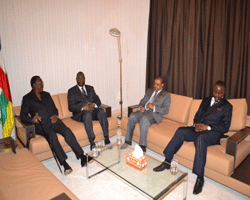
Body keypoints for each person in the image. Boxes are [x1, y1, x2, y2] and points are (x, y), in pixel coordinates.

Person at [153, 80, 232, 195]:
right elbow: (197, 115)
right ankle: (167, 162)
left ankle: (200, 177)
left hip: (212, 133)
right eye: (215, 92)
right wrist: (197, 125)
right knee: (181, 131)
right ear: (213, 90)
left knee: (201, 139)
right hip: (199, 129)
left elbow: (225, 127)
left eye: (220, 93)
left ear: (224, 92)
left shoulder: (227, 106)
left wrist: (208, 127)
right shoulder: (205, 100)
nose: (217, 95)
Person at [20, 76, 91, 176]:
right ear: (33, 85)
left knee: (67, 131)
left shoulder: (47, 95)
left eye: (42, 82)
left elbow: (55, 109)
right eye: (39, 83)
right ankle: (64, 163)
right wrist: (32, 119)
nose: (42, 85)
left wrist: (55, 115)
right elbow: (22, 115)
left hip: (54, 121)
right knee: (52, 135)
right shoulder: (27, 98)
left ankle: (82, 156)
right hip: (41, 124)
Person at [120, 76, 171, 152]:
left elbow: (166, 110)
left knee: (144, 118)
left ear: (162, 85)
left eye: (158, 84)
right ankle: (128, 141)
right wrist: (141, 107)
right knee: (132, 116)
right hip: (144, 111)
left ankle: (142, 146)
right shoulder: (149, 91)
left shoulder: (166, 95)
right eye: (154, 84)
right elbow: (142, 101)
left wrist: (154, 107)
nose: (155, 86)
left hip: (154, 114)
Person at [68, 72, 111, 150]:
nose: (81, 80)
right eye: (79, 78)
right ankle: (92, 142)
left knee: (101, 111)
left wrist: (94, 105)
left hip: (92, 110)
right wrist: (83, 107)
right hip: (80, 114)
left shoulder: (90, 88)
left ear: (85, 79)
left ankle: (106, 138)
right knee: (87, 114)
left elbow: (98, 100)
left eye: (83, 78)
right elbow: (71, 107)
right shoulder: (71, 91)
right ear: (76, 79)